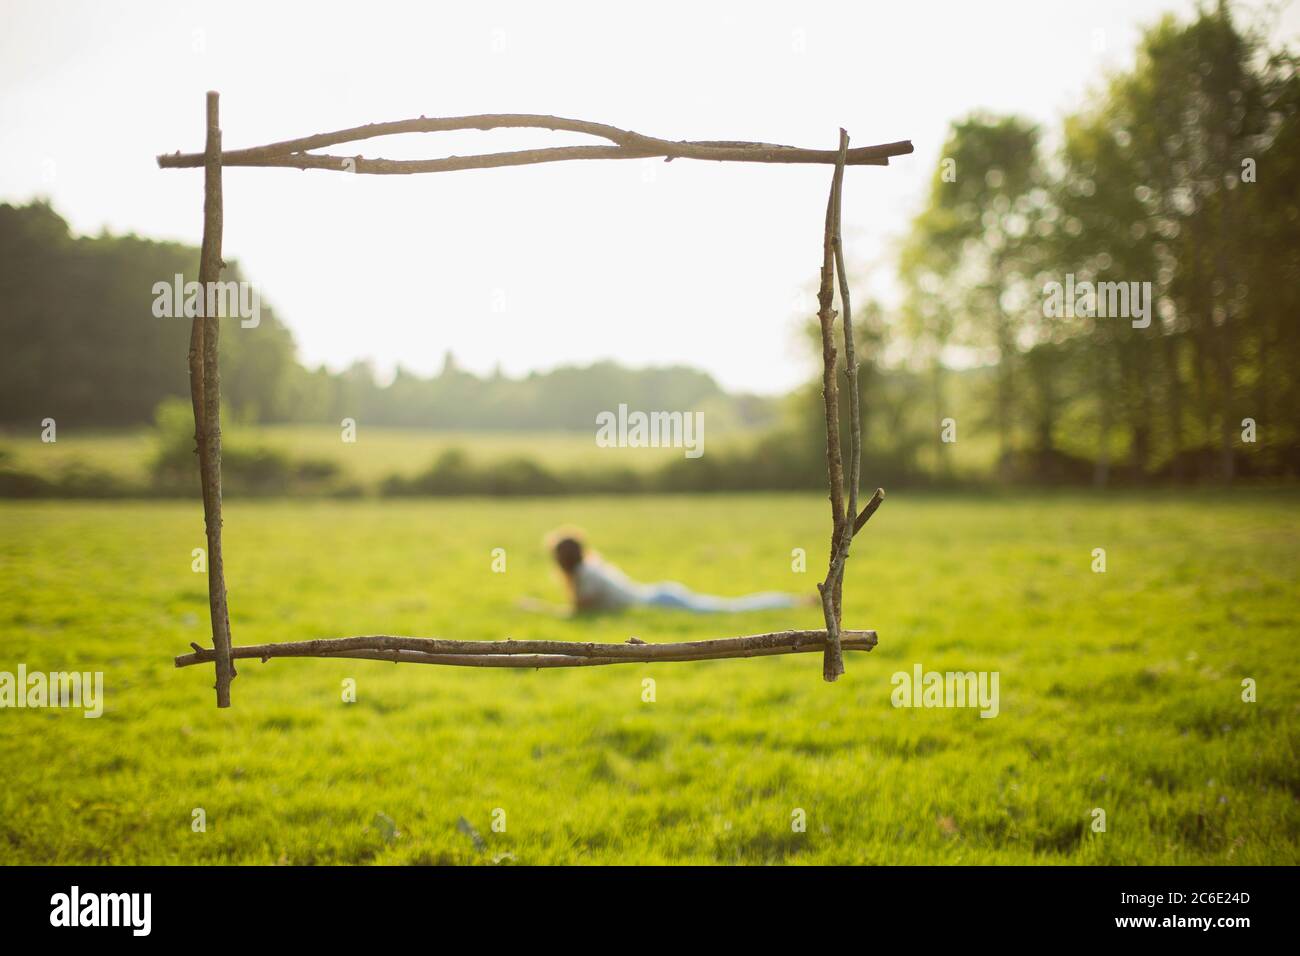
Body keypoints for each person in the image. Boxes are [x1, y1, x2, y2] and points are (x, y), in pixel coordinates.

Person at [546, 529, 811, 614]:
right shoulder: (589, 569)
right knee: (730, 607)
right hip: (660, 596)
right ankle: (795, 601)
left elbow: (578, 613)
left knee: (731, 609)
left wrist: (537, 609)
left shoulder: (587, 576)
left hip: (661, 601)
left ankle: (794, 602)